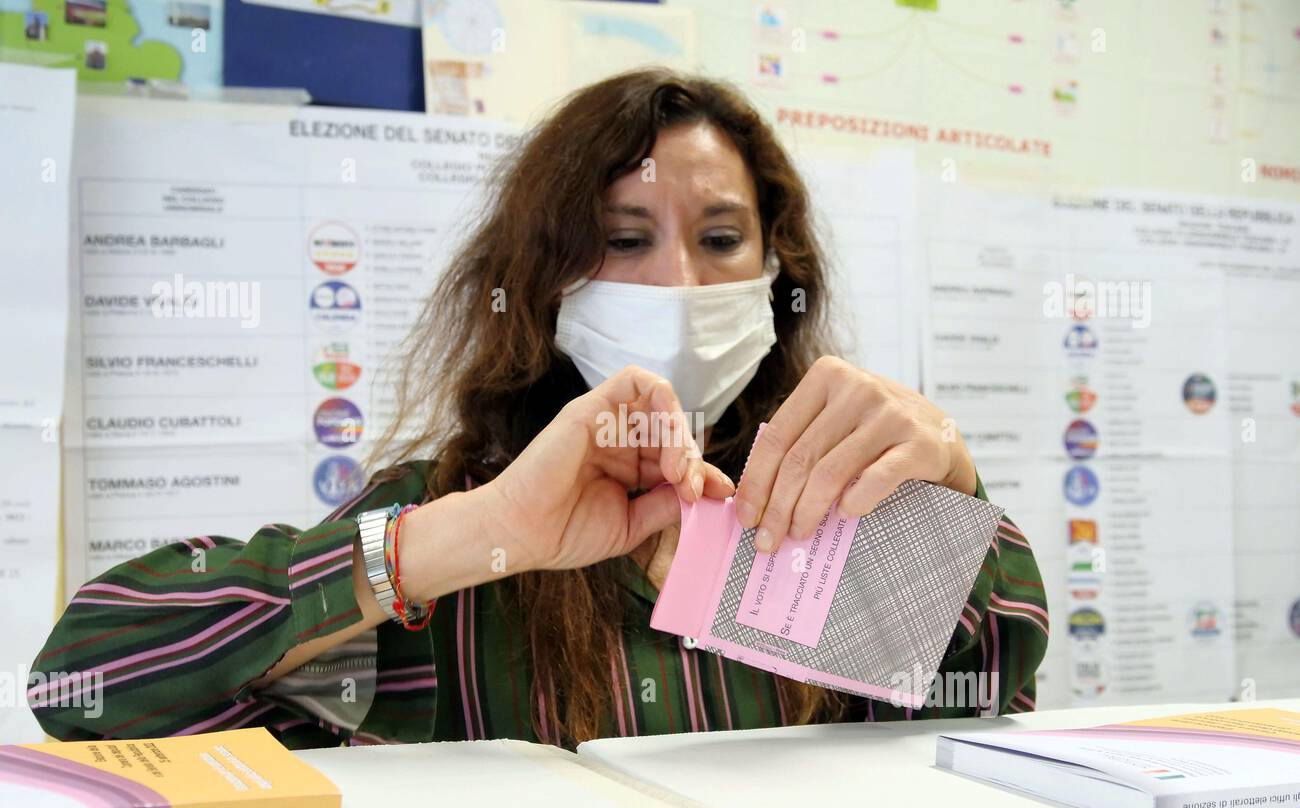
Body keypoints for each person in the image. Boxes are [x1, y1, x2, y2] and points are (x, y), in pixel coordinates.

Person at [30, 69, 1048, 751]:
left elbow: (993, 698)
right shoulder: (439, 520)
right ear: (544, 277)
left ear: (779, 272)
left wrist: (948, 492)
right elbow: (83, 685)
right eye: (622, 235)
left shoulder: (833, 523)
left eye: (723, 239)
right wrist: (471, 536)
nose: (679, 284)